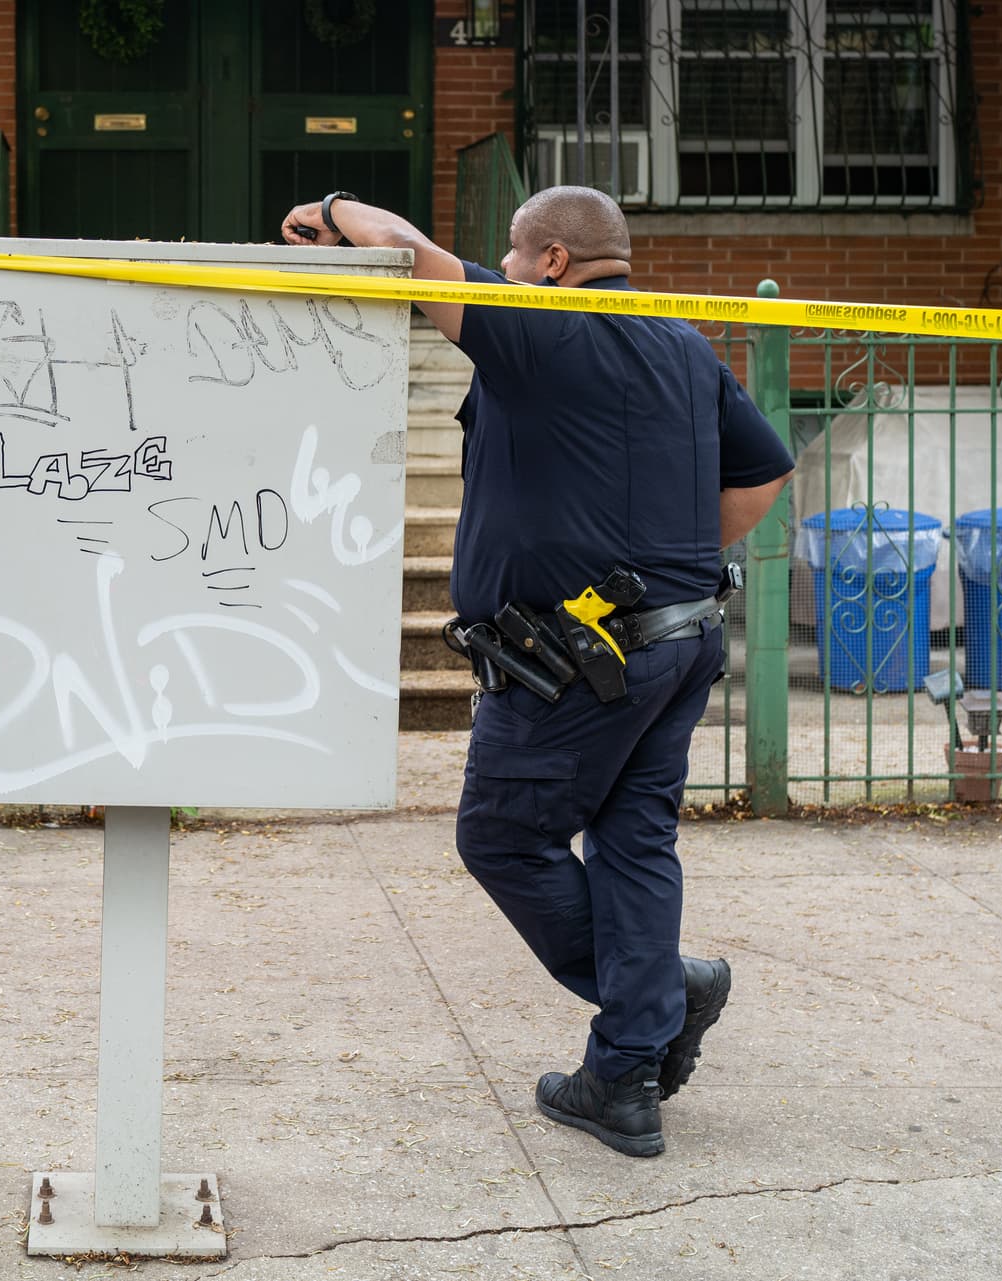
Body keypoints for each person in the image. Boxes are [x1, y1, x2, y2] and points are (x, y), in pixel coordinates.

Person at [281, 187, 794, 1158]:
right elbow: (762, 476)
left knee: (502, 839)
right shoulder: (679, 340)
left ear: (552, 260)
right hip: (679, 644)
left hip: (580, 665)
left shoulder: (539, 322)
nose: (500, 273)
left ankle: (652, 1012)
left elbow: (399, 244)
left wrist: (331, 207)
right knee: (634, 840)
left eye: (511, 258)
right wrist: (662, 571)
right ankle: (625, 1077)